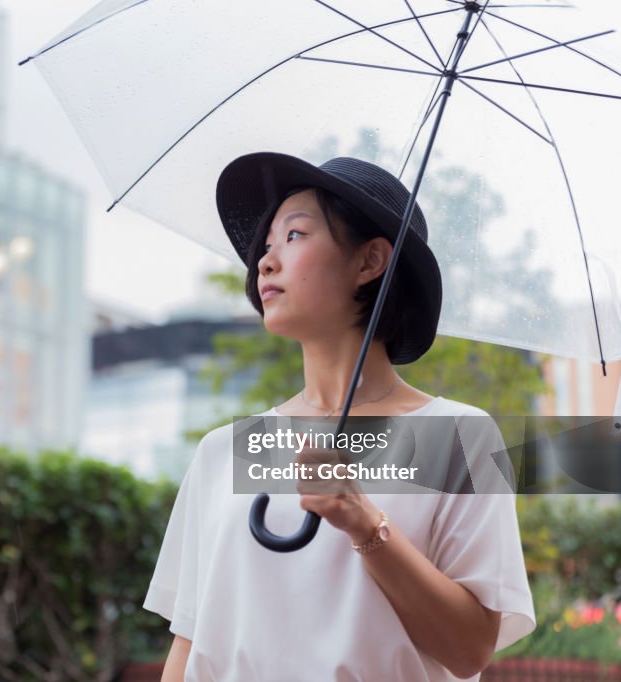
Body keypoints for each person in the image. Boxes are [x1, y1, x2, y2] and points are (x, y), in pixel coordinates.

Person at [143, 154, 535, 681]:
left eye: (296, 235)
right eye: (266, 245)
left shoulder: (460, 437)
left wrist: (362, 520)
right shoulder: (226, 450)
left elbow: (469, 650)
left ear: (371, 261)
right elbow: (191, 646)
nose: (265, 261)